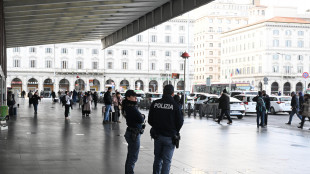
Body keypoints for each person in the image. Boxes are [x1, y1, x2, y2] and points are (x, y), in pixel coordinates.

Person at [148, 85, 183, 174]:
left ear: (163, 92)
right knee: (166, 161)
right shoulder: (175, 105)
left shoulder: (155, 103)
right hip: (170, 137)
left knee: (157, 159)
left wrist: (156, 127)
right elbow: (180, 122)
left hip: (157, 135)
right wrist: (175, 130)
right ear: (172, 93)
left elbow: (150, 120)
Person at [122, 90, 145, 174]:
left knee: (130, 155)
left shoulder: (127, 106)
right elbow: (141, 119)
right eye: (133, 96)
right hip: (134, 133)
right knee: (133, 156)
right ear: (128, 97)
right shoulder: (131, 108)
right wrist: (141, 116)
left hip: (130, 132)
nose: (135, 98)